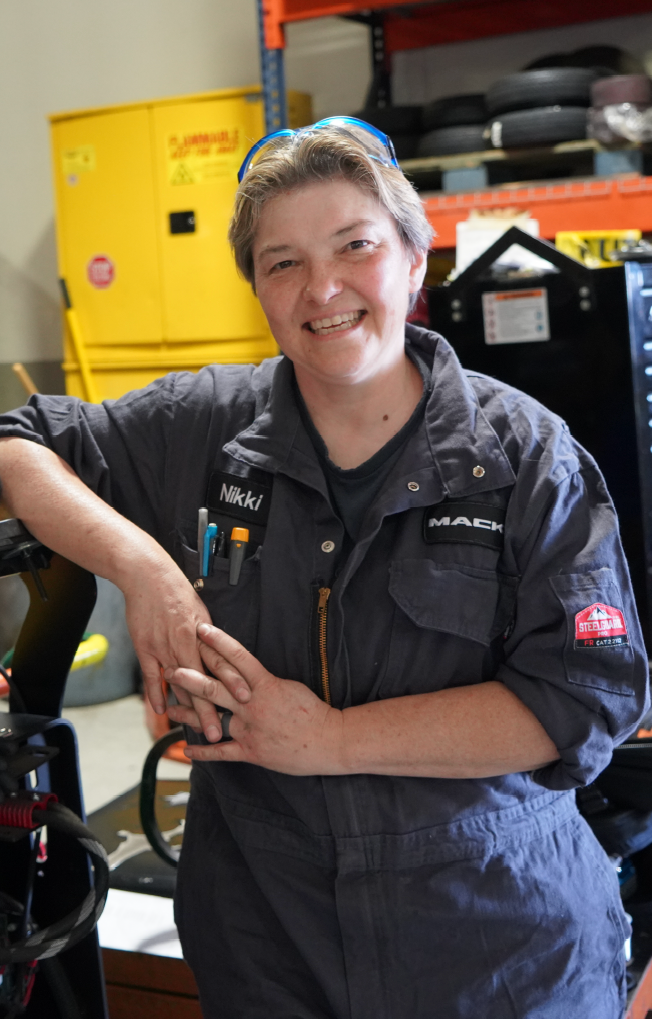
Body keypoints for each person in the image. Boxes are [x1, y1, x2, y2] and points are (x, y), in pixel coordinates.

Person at [0, 117, 648, 1019]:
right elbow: (16, 443)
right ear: (257, 290)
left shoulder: (528, 457)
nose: (324, 288)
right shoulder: (204, 427)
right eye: (283, 262)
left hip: (492, 945)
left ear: (416, 261)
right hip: (271, 943)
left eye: (356, 245)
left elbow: (584, 701)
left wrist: (332, 741)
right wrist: (143, 566)